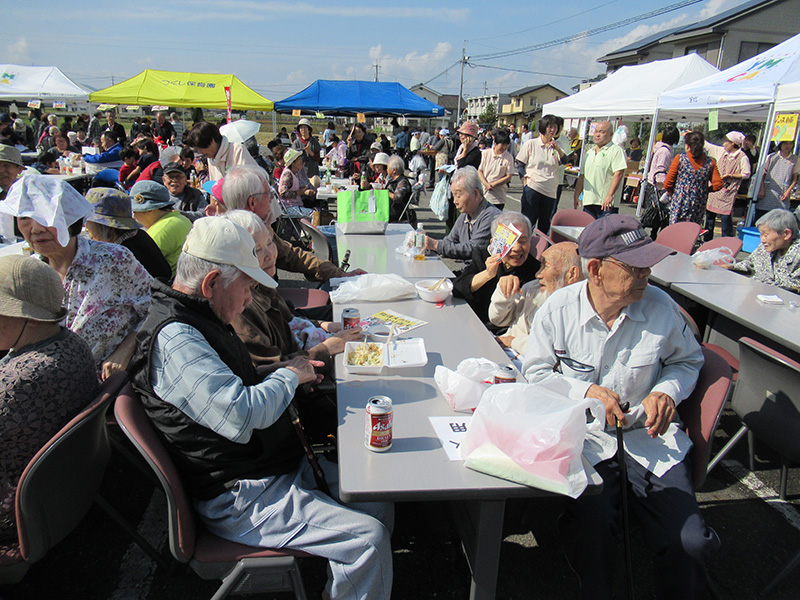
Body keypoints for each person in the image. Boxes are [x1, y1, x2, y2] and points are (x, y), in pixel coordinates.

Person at [127, 217, 393, 600]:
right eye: (248, 286)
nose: (251, 298)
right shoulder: (175, 340)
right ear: (211, 282)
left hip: (268, 465)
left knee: (376, 497)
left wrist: (281, 369)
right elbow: (241, 416)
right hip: (241, 494)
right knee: (367, 539)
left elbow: (237, 380)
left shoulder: (199, 316)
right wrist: (290, 376)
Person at [523, 214, 718, 599]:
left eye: (649, 264)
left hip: (649, 440)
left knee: (690, 542)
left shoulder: (662, 309)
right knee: (591, 530)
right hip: (586, 439)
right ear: (595, 270)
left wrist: (667, 391)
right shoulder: (558, 310)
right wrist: (584, 392)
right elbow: (534, 373)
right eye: (636, 267)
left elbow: (688, 361)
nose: (647, 274)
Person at [0, 175, 152, 379]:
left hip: (105, 388)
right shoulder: (28, 273)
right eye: (25, 218)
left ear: (70, 218)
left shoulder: (113, 260)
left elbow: (157, 308)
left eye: (46, 216)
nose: (35, 229)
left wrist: (128, 347)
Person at [0, 255, 98, 546]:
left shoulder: (16, 384)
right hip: (61, 492)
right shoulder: (70, 342)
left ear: (29, 317)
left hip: (15, 513)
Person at [223, 210, 362, 370]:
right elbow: (272, 371)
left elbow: (289, 320)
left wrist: (323, 325)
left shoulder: (262, 283)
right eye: (257, 250)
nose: (270, 255)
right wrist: (327, 347)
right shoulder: (240, 309)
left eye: (270, 243)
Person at [221, 166, 364, 283]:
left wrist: (339, 274)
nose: (272, 200)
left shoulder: (259, 229)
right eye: (269, 194)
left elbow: (293, 256)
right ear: (252, 202)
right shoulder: (239, 243)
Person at [490, 241, 582, 356]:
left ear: (571, 274)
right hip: (502, 353)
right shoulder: (533, 288)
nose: (538, 274)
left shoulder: (579, 309)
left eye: (546, 266)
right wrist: (504, 293)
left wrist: (514, 342)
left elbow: (553, 352)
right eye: (541, 266)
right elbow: (498, 319)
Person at [453, 212, 539, 326]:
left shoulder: (536, 269)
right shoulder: (483, 256)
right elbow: (458, 288)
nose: (517, 248)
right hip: (474, 322)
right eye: (510, 242)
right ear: (495, 243)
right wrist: (487, 274)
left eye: (523, 241)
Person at [84, 187, 172, 280]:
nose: (86, 228)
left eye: (88, 222)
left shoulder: (119, 254)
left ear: (103, 227)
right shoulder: (138, 235)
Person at [424, 166, 501, 260]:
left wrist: (435, 245)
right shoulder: (465, 215)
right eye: (453, 196)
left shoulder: (491, 217)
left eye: (458, 195)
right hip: (469, 271)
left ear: (475, 194)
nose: (455, 201)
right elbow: (449, 241)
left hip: (483, 272)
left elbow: (473, 249)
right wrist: (427, 244)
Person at [517, 115, 569, 233]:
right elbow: (520, 164)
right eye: (550, 127)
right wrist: (524, 182)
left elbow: (565, 161)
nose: (552, 130)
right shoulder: (531, 144)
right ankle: (525, 248)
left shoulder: (558, 145)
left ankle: (540, 249)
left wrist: (557, 149)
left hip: (550, 190)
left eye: (555, 127)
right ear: (543, 127)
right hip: (533, 186)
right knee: (527, 222)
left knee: (545, 224)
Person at [727, 208, 800, 291]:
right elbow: (749, 264)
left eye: (765, 235)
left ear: (786, 234)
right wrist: (730, 267)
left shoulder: (797, 254)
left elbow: (793, 287)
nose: (762, 240)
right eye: (761, 235)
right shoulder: (764, 248)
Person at [131, 180, 193, 278]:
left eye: (135, 211)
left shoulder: (160, 232)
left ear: (150, 209)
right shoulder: (180, 219)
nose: (134, 216)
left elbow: (134, 270)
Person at [664, 131, 723, 225]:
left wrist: (673, 191)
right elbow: (718, 184)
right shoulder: (710, 162)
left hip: (680, 201)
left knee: (676, 230)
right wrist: (704, 190)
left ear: (687, 146)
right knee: (692, 231)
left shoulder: (680, 158)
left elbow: (668, 183)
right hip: (698, 202)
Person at [573, 121, 627, 219]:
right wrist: (576, 195)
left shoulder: (616, 150)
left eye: (602, 132)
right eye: (596, 131)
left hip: (606, 204)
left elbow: (618, 174)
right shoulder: (589, 152)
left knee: (604, 233)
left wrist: (610, 195)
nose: (597, 135)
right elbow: (582, 176)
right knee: (588, 231)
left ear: (610, 134)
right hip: (589, 201)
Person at [703, 131, 751, 241]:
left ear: (733, 143)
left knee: (725, 220)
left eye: (726, 142)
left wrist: (732, 175)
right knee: (709, 219)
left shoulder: (742, 157)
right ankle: (706, 241)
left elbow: (746, 173)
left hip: (728, 192)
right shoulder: (722, 152)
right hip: (715, 191)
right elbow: (708, 146)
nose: (724, 144)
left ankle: (726, 243)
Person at [185, 121, 258, 181]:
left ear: (211, 141)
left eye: (200, 148)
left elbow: (247, 183)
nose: (200, 152)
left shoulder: (237, 150)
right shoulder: (211, 158)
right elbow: (213, 187)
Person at [645, 127, 680, 237]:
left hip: (654, 184)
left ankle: (653, 234)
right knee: (656, 213)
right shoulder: (665, 151)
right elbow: (661, 169)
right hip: (658, 185)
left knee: (656, 213)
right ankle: (651, 234)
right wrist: (667, 185)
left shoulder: (661, 149)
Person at [755, 140, 799, 221]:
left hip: (783, 192)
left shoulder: (795, 159)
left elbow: (794, 178)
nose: (788, 146)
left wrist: (788, 191)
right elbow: (762, 174)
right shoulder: (771, 157)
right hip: (768, 191)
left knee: (778, 219)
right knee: (762, 217)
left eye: (790, 143)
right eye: (785, 143)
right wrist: (761, 189)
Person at [478, 129, 514, 210]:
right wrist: (486, 184)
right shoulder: (486, 153)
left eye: (506, 145)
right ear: (495, 143)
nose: (504, 147)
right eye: (502, 144)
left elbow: (508, 176)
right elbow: (480, 171)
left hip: (499, 197)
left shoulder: (508, 157)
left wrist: (494, 184)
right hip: (484, 194)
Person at [386, 155, 411, 223]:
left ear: (394, 170)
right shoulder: (392, 180)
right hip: (388, 210)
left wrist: (384, 192)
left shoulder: (403, 181)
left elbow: (397, 197)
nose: (387, 170)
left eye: (388, 168)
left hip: (396, 213)